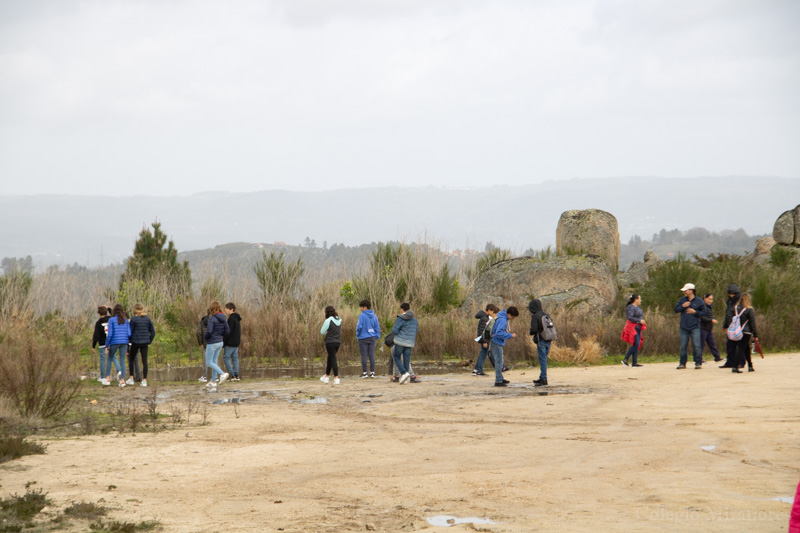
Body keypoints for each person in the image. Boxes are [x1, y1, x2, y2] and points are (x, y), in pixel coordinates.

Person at [674, 283, 707, 370]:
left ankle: (698, 363)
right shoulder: (682, 300)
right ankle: (682, 363)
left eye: (686, 290)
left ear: (691, 291)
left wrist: (695, 312)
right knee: (683, 346)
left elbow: (704, 312)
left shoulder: (699, 301)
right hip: (683, 327)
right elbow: (676, 310)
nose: (684, 292)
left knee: (696, 346)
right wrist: (682, 306)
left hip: (695, 327)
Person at [487, 305, 518, 387]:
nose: (512, 318)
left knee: (500, 361)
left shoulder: (500, 317)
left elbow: (498, 330)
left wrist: (505, 331)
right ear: (509, 314)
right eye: (513, 317)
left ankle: (500, 378)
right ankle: (498, 381)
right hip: (496, 343)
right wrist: (511, 335)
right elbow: (499, 333)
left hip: (495, 342)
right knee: (499, 362)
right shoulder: (503, 320)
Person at [391, 303, 419, 384]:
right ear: (409, 308)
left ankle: (403, 373)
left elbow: (394, 331)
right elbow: (416, 331)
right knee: (406, 360)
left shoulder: (400, 318)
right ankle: (406, 378)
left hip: (400, 341)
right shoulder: (414, 320)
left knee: (396, 357)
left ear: (402, 309)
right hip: (410, 342)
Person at [203, 301, 230, 387]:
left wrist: (205, 337)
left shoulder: (212, 318)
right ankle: (213, 381)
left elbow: (209, 331)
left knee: (209, 362)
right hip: (220, 342)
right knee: (214, 361)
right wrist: (220, 335)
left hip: (212, 342)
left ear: (211, 308)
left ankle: (222, 374)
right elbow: (227, 331)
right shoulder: (223, 318)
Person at [528, 299, 555, 385]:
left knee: (542, 360)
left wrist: (531, 333)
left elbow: (534, 330)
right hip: (549, 339)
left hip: (541, 340)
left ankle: (543, 379)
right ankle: (541, 377)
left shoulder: (535, 316)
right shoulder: (546, 315)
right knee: (544, 359)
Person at [128, 303, 155, 387]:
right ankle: (144, 380)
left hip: (135, 342)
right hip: (144, 343)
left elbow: (130, 332)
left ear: (135, 310)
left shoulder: (133, 319)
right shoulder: (147, 319)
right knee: (144, 361)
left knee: (131, 359)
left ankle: (131, 378)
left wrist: (130, 340)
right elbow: (153, 332)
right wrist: (149, 340)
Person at [730, 292, 758, 373]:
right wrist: (755, 334)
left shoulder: (735, 308)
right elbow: (752, 322)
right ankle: (735, 366)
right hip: (746, 332)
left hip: (737, 331)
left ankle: (750, 365)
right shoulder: (749, 309)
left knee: (746, 348)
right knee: (741, 348)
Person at [105, 304, 131, 387]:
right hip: (124, 342)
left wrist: (107, 345)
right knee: (122, 360)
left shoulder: (111, 320)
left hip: (114, 342)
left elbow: (110, 334)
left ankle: (108, 379)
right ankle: (123, 380)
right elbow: (129, 333)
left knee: (110, 359)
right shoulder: (126, 320)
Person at [355, 299, 381, 378]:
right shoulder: (374, 316)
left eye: (361, 307)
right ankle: (372, 372)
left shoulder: (362, 315)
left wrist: (358, 334)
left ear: (365, 307)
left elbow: (359, 326)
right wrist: (376, 336)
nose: (361, 309)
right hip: (372, 338)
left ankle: (365, 373)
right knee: (372, 355)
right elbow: (377, 327)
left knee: (363, 355)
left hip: (363, 338)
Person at [621, 294, 646, 367]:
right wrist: (639, 321)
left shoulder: (637, 307)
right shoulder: (630, 307)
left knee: (637, 344)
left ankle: (634, 362)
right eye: (640, 299)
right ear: (636, 299)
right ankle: (625, 359)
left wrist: (641, 321)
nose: (640, 300)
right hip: (632, 328)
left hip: (638, 328)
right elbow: (630, 317)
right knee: (636, 344)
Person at [720, 284, 742, 368]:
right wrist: (725, 325)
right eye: (729, 294)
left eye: (732, 294)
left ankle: (740, 362)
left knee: (740, 346)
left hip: (738, 327)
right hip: (730, 326)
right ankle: (730, 362)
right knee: (730, 346)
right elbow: (727, 314)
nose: (730, 296)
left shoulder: (740, 302)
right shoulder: (729, 302)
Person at [320, 305, 342, 385]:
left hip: (330, 342)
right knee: (330, 358)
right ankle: (326, 377)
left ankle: (336, 377)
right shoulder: (339, 319)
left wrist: (326, 332)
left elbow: (322, 331)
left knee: (333, 359)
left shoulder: (328, 320)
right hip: (338, 342)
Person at [472, 308, 495, 376]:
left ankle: (476, 369)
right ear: (488, 310)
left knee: (483, 353)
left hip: (484, 339)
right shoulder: (484, 318)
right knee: (484, 354)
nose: (493, 314)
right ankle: (479, 370)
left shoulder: (485, 317)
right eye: (492, 312)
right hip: (484, 339)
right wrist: (484, 341)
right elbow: (482, 331)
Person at [699, 293, 721, 363]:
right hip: (702, 328)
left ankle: (717, 357)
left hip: (709, 328)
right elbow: (701, 317)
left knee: (712, 343)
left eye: (711, 299)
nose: (710, 301)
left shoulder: (709, 307)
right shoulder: (702, 306)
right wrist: (711, 320)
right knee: (701, 344)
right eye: (709, 299)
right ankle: (699, 359)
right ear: (704, 298)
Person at [222, 303, 242, 382]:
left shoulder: (231, 319)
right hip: (236, 342)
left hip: (230, 342)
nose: (225, 310)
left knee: (226, 358)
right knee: (235, 359)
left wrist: (224, 342)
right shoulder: (237, 318)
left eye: (227, 309)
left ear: (231, 309)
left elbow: (228, 332)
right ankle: (236, 375)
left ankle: (232, 374)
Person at [92, 305, 111, 384]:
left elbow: (96, 335)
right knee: (111, 358)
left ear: (99, 313)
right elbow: (115, 314)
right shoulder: (111, 319)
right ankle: (112, 374)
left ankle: (103, 376)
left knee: (102, 360)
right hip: (110, 342)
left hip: (102, 343)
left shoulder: (99, 322)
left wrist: (93, 345)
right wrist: (109, 308)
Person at [195, 309, 211, 382]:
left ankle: (204, 376)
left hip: (205, 344)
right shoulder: (217, 321)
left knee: (205, 361)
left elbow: (198, 332)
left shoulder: (202, 322)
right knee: (214, 360)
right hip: (215, 342)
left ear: (206, 313)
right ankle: (216, 376)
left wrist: (200, 343)